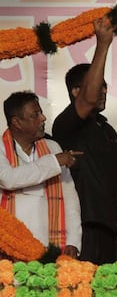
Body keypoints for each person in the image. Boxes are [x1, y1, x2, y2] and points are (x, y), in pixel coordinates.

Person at [52, 16, 117, 265]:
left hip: (109, 228)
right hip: (80, 230)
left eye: (106, 86)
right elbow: (86, 101)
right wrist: (103, 45)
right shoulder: (66, 125)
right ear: (76, 91)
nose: (104, 91)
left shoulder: (107, 129)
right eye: (99, 85)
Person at [0, 91, 81, 258]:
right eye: (35, 115)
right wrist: (54, 162)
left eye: (41, 112)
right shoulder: (1, 147)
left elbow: (69, 197)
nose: (43, 118)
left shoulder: (52, 148)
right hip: (8, 246)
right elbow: (8, 179)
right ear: (17, 122)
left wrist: (73, 240)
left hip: (48, 243)